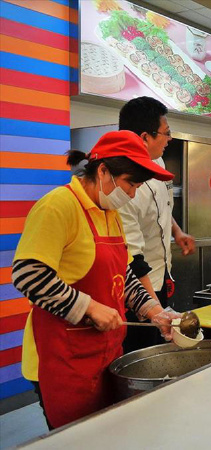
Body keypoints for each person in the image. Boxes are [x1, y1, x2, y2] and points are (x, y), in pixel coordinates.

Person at [12, 131, 179, 429]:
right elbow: (28, 274)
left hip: (106, 355)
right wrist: (88, 307)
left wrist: (155, 311)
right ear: (102, 171)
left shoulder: (110, 213)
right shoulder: (58, 206)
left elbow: (123, 276)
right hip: (62, 360)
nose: (131, 194)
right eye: (130, 184)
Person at [117, 96, 195, 353]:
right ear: (145, 137)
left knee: (158, 347)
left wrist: (176, 231)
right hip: (137, 287)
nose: (169, 139)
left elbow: (162, 206)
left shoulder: (158, 162)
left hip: (161, 277)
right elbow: (133, 259)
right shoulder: (121, 190)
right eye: (166, 132)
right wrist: (154, 309)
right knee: (140, 351)